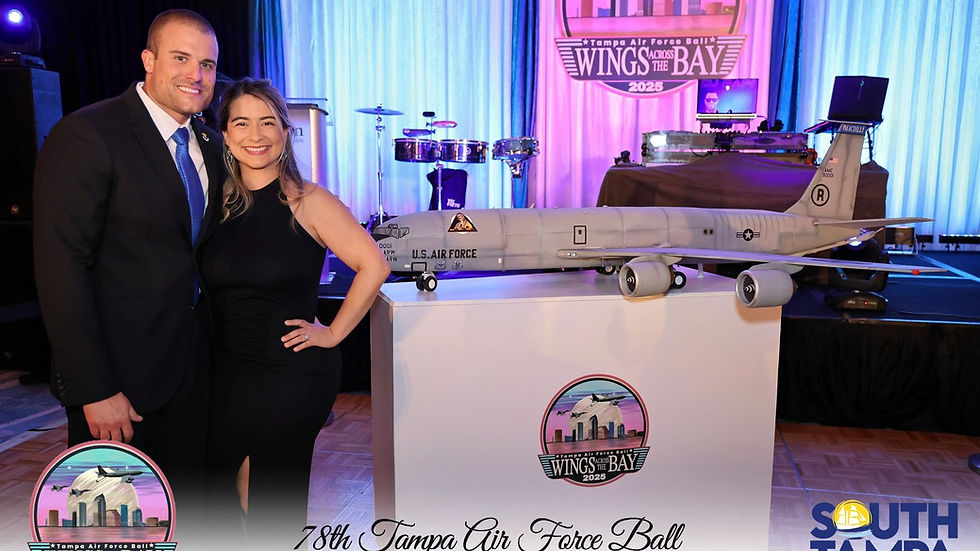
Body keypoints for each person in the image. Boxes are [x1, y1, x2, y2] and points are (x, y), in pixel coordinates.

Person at [33, 7, 222, 522]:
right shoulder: (87, 134)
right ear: (148, 59)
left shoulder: (209, 141)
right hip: (119, 386)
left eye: (207, 64)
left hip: (194, 378)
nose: (196, 75)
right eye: (181, 58)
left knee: (190, 518)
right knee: (114, 525)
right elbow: (60, 270)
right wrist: (94, 388)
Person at [201, 78, 389, 547]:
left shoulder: (308, 200)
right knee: (228, 490)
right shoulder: (215, 203)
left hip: (290, 372)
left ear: (286, 133)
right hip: (225, 371)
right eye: (241, 123)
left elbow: (374, 266)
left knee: (269, 497)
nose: (255, 134)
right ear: (225, 134)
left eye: (268, 123)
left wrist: (333, 333)